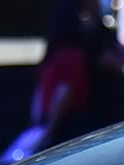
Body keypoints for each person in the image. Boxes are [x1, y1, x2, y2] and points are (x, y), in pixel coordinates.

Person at [31, 0, 93, 149]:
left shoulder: (52, 55)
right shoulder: (71, 55)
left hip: (51, 122)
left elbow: (41, 92)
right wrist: (49, 131)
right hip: (64, 125)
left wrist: (38, 123)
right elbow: (64, 93)